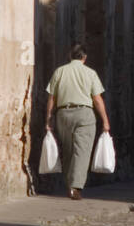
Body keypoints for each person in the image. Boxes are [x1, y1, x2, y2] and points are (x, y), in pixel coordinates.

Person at [44, 43, 111, 200]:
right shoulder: (90, 73)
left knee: (68, 151)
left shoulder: (59, 71)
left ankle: (69, 184)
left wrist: (48, 118)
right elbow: (97, 99)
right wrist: (105, 121)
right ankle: (75, 186)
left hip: (63, 114)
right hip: (84, 114)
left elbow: (51, 98)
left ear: (70, 56)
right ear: (84, 57)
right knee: (82, 151)